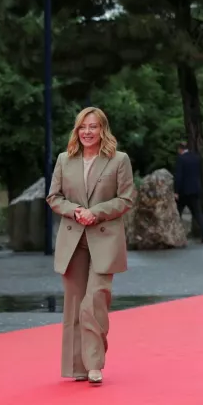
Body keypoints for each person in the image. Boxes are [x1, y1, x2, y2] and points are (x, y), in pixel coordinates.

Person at [46, 107, 135, 386]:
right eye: (83, 127)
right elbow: (53, 197)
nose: (87, 132)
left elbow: (127, 198)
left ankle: (94, 364)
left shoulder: (118, 160)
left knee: (94, 300)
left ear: (102, 129)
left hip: (104, 238)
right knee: (73, 305)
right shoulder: (64, 159)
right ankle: (76, 367)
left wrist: (96, 212)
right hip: (73, 238)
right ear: (77, 130)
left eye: (93, 127)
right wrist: (75, 211)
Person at [173, 141, 203, 243]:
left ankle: (174, 234)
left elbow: (179, 177)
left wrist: (176, 191)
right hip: (195, 190)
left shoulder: (181, 159)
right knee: (198, 213)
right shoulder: (196, 158)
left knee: (177, 213)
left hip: (183, 192)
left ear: (180, 149)